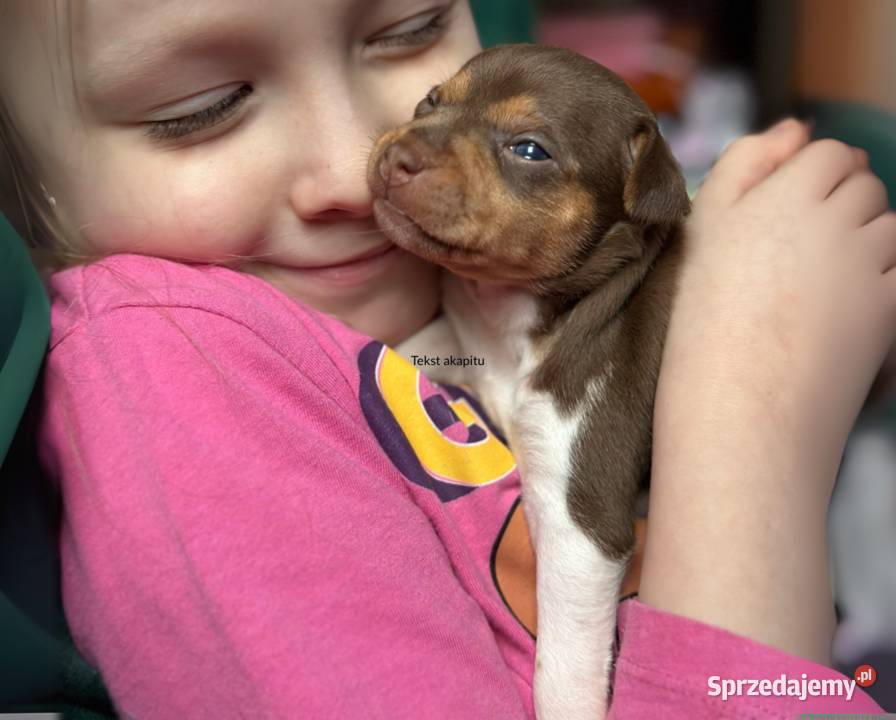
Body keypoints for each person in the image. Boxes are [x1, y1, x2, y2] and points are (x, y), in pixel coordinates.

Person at [0, 1, 892, 717]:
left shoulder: (436, 288)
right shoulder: (168, 358)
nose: (365, 168)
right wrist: (753, 408)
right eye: (203, 110)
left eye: (409, 33)